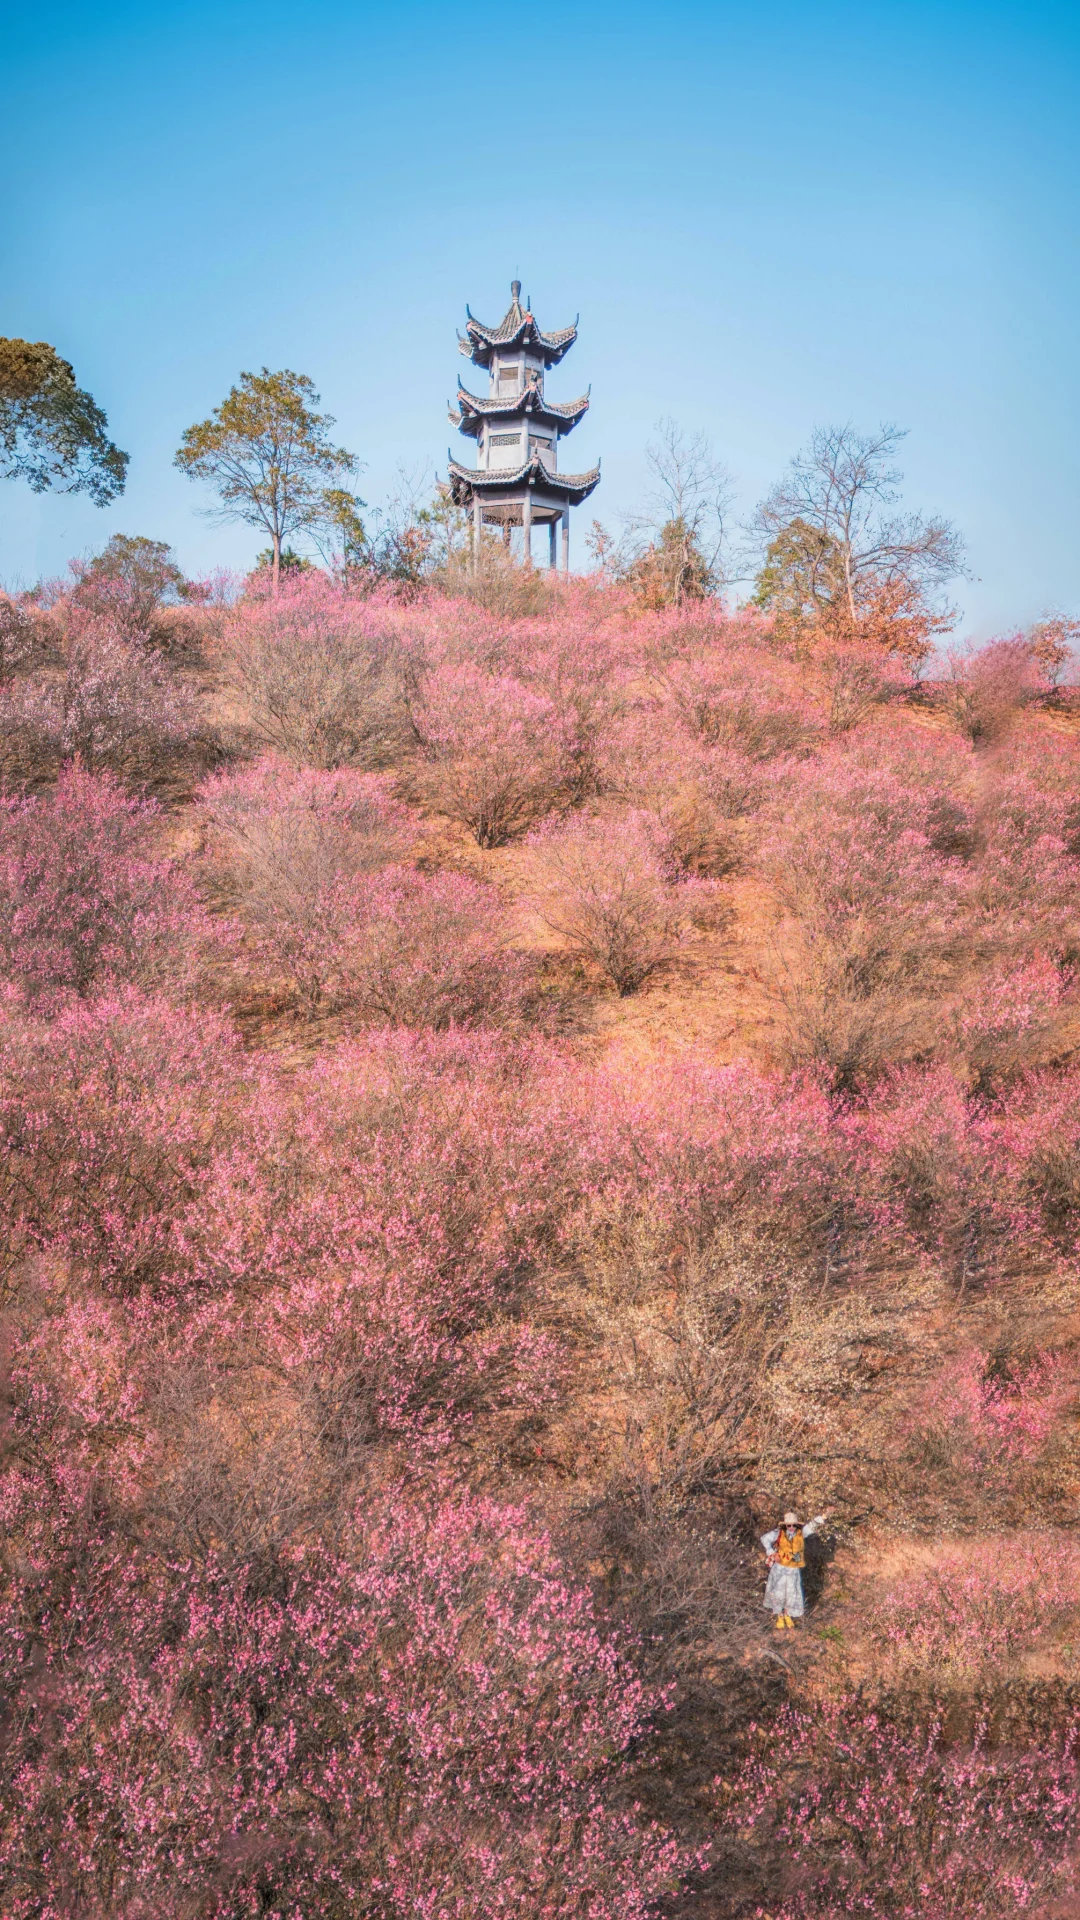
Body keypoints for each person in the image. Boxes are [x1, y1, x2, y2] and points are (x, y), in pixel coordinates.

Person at [761, 1509, 829, 1629]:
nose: (791, 1527)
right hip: (780, 1568)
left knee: (791, 1592)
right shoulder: (778, 1533)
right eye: (789, 1525)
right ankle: (780, 1616)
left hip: (793, 1569)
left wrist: (822, 1518)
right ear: (785, 1525)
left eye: (794, 1525)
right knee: (779, 1592)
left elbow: (811, 1526)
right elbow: (764, 1539)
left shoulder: (800, 1533)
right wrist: (771, 1552)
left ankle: (788, 1614)